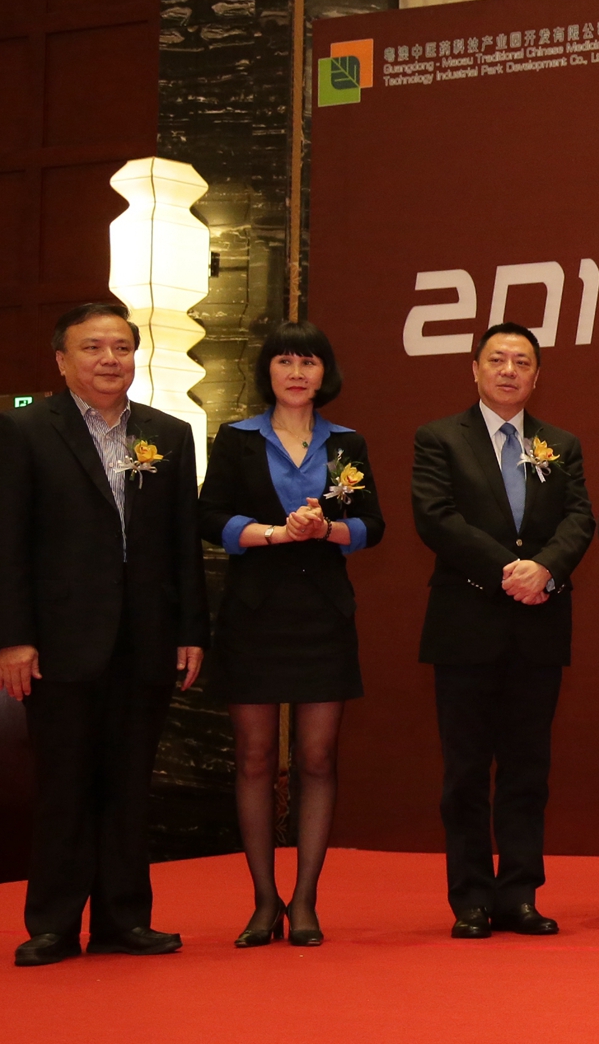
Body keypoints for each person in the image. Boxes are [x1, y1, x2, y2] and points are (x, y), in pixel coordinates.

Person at [0, 302, 208, 967]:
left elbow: (183, 545)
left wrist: (190, 629)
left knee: (130, 785)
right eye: (93, 347)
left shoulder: (169, 433)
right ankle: (53, 924)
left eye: (121, 347)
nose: (110, 359)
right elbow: (5, 542)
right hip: (59, 641)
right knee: (65, 785)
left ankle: (123, 919)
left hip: (146, 638)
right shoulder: (26, 429)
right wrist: (14, 638)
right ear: (61, 359)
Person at [197, 320, 385, 948]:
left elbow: (373, 524)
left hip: (322, 614)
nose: (297, 373)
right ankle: (262, 900)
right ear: (268, 371)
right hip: (254, 613)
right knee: (254, 759)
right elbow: (210, 516)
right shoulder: (237, 438)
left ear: (325, 373)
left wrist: (328, 529)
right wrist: (275, 533)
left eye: (309, 362)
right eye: (285, 361)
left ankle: (304, 900)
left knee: (316, 759)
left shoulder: (347, 442)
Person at [411, 322, 594, 939]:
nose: (509, 370)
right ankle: (469, 898)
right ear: (475, 369)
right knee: (465, 772)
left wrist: (544, 569)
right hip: (465, 624)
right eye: (497, 360)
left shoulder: (559, 444)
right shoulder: (440, 438)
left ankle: (519, 894)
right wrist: (507, 570)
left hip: (538, 624)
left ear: (537, 375)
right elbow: (436, 518)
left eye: (522, 362)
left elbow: (579, 519)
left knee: (526, 770)